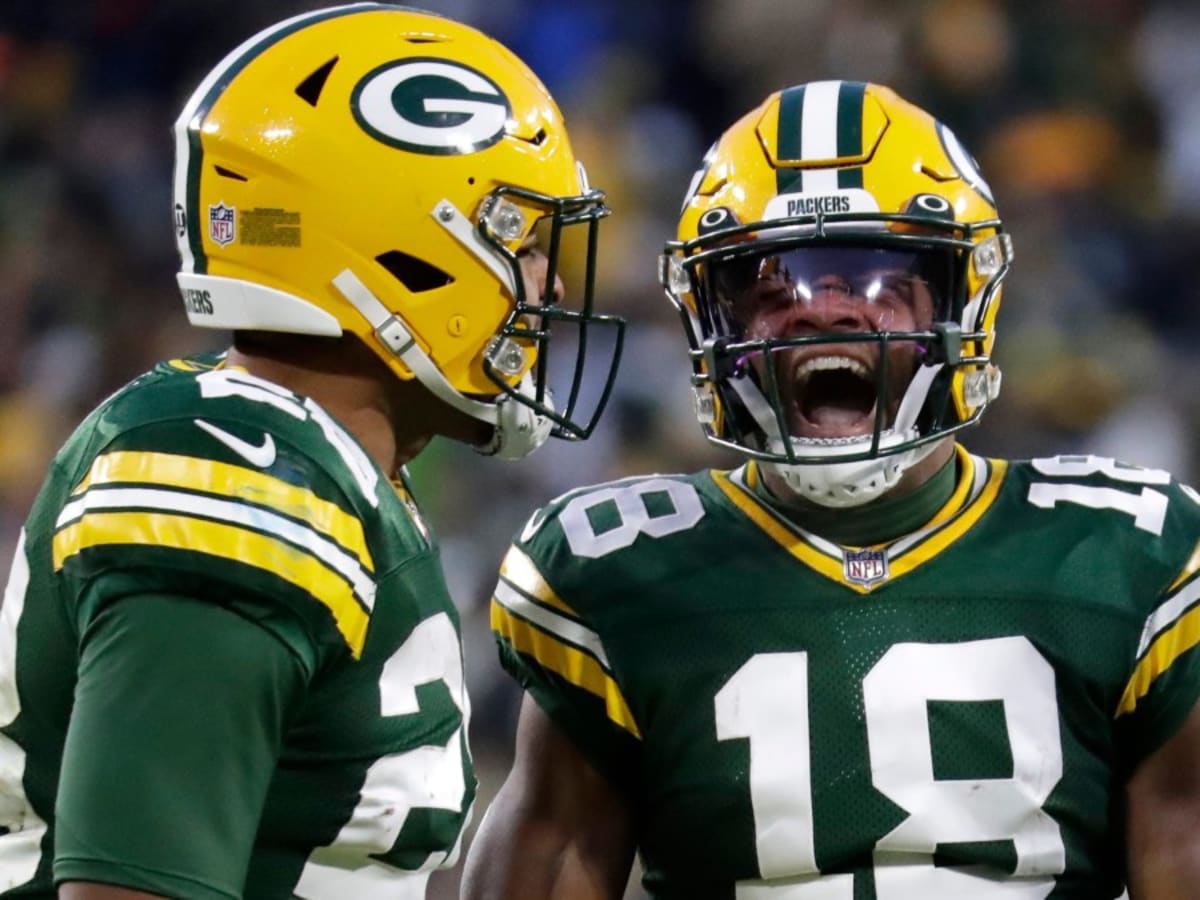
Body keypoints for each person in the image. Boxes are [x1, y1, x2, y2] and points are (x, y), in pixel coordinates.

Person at [462, 80, 1200, 899]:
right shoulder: (617, 572)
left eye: (878, 283)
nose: (824, 314)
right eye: (772, 290)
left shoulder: (1125, 552)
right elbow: (552, 859)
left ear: (964, 299)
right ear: (713, 319)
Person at [0, 5, 624, 898]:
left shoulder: (334, 473)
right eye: (519, 242)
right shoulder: (239, 469)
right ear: (404, 253)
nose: (551, 284)